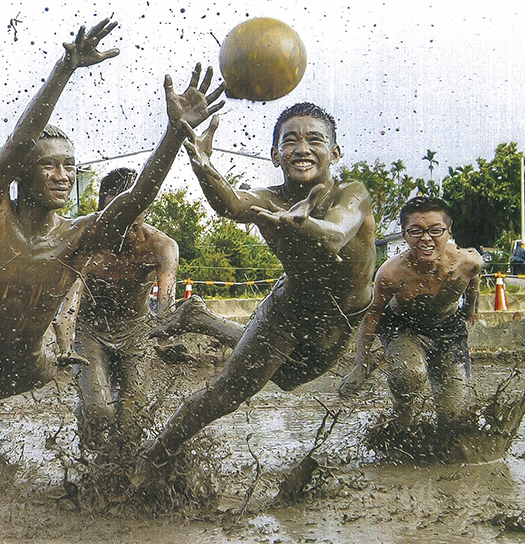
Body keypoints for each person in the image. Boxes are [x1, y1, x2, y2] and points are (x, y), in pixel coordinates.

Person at [0, 17, 225, 425]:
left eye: (70, 166)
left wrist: (175, 133)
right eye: (49, 166)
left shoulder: (78, 235)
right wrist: (64, 70)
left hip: (26, 370)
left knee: (105, 413)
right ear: (20, 174)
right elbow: (19, 139)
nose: (63, 176)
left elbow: (138, 195)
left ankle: (97, 446)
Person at [133, 102, 376, 485]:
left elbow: (336, 235)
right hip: (288, 308)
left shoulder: (353, 193)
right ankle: (153, 458)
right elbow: (228, 203)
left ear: (335, 152)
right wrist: (201, 162)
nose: (302, 148)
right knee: (227, 394)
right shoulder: (269, 199)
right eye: (290, 141)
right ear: (276, 155)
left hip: (341, 317)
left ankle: (202, 319)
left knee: (289, 378)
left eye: (315, 139)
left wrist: (303, 222)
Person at [338, 196, 482, 430]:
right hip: (404, 328)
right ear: (404, 235)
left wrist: (470, 308)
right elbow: (373, 315)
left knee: (454, 417)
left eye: (435, 230)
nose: (426, 239)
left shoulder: (468, 262)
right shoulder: (391, 273)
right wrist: (360, 364)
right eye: (416, 231)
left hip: (448, 329)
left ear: (449, 232)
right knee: (409, 375)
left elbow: (474, 283)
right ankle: (400, 419)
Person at [68, 167, 179, 457]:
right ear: (103, 211)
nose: (125, 224)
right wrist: (64, 338)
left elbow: (166, 301)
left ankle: (124, 470)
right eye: (117, 215)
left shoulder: (162, 246)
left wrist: (164, 334)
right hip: (90, 330)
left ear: (145, 207)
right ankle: (90, 460)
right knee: (98, 410)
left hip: (136, 330)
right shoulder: (85, 243)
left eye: (134, 213)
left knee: (132, 418)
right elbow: (70, 301)